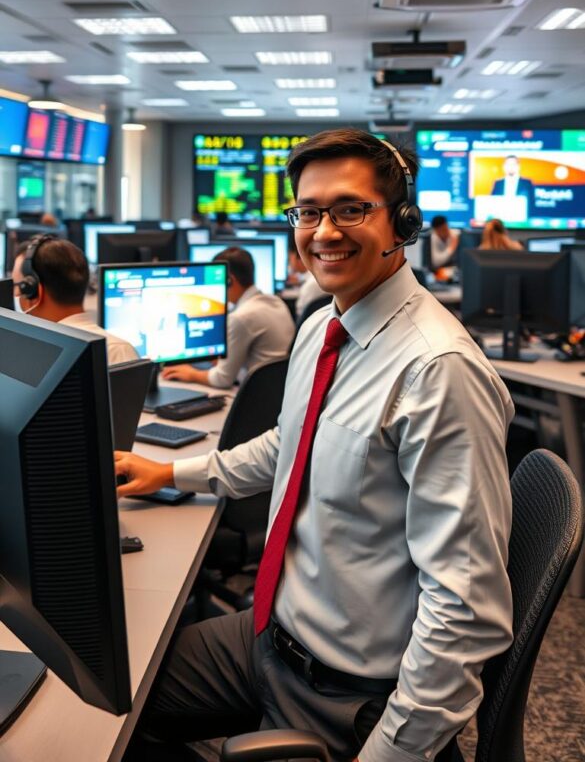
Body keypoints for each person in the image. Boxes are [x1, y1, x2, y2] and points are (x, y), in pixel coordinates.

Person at [116, 129, 514, 762]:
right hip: (271, 633)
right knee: (112, 699)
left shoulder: (436, 370)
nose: (324, 230)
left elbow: (465, 610)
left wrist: (392, 752)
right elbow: (290, 448)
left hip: (348, 689)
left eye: (351, 208)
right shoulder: (322, 325)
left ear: (400, 222)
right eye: (309, 211)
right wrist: (171, 470)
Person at [161, 246, 294, 389]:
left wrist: (191, 373)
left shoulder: (241, 318)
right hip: (277, 389)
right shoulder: (276, 302)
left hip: (256, 393)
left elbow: (222, 379)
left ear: (229, 280)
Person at [12, 235, 138, 366]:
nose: (13, 293)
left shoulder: (21, 355)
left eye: (16, 285)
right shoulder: (115, 351)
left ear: (34, 291)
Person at [288, 245, 328, 318]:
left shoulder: (310, 286)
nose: (289, 264)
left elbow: (300, 314)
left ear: (300, 257)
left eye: (289, 259)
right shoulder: (313, 279)